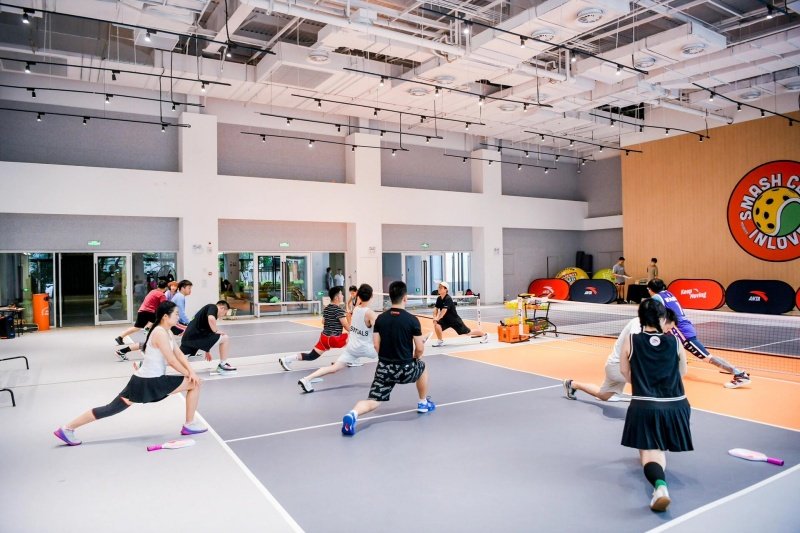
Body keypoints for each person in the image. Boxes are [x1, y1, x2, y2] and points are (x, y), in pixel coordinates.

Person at [53, 301, 207, 446]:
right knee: (194, 385)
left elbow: (179, 355)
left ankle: (67, 428)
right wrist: (190, 374)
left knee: (110, 408)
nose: (178, 317)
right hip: (151, 381)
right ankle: (189, 424)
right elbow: (172, 360)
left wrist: (191, 372)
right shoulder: (159, 332)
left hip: (141, 379)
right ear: (165, 316)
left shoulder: (166, 331)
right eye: (176, 314)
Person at [619, 298, 692, 512]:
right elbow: (682, 373)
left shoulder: (631, 341)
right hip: (677, 405)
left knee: (650, 451)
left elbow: (625, 373)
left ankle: (660, 487)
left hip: (645, 404)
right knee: (657, 449)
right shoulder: (675, 342)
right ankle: (658, 482)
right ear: (661, 318)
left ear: (641, 318)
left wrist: (643, 383)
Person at [341, 280, 435, 435]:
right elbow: (419, 349)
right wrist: (414, 358)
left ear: (390, 297)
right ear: (405, 298)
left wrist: (387, 358)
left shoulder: (381, 319)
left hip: (384, 368)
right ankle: (423, 403)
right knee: (422, 367)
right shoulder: (412, 320)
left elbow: (377, 345)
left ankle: (353, 414)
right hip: (406, 368)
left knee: (373, 401)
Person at [647, 279, 750, 388]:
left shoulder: (656, 297)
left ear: (650, 289)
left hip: (682, 333)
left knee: (707, 357)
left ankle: (740, 374)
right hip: (680, 329)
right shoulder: (668, 294)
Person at [563, 308, 680, 402]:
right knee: (648, 383)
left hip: (618, 365)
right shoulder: (638, 324)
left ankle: (572, 384)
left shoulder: (651, 328)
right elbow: (637, 350)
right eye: (668, 328)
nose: (667, 331)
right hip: (618, 366)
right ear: (663, 320)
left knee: (603, 395)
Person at [298, 284, 379, 393]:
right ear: (371, 296)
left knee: (334, 368)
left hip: (352, 348)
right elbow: (378, 330)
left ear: (358, 295)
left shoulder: (355, 310)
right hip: (366, 348)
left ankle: (306, 379)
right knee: (387, 356)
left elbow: (351, 322)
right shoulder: (370, 313)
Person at [279, 286, 349, 370]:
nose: (343, 296)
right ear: (337, 297)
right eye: (341, 294)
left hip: (324, 338)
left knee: (311, 356)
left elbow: (323, 321)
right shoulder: (339, 310)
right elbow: (346, 326)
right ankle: (348, 361)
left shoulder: (326, 308)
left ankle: (286, 359)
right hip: (334, 339)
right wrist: (352, 324)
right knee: (353, 338)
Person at [180, 300, 237, 374]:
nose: (223, 315)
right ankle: (223, 364)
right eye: (225, 313)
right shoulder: (213, 307)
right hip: (195, 338)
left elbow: (207, 331)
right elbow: (211, 319)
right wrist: (216, 331)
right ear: (222, 308)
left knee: (177, 359)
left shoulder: (206, 312)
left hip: (188, 339)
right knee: (225, 338)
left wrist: (207, 350)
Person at [431, 281, 488, 347]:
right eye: (439, 287)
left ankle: (485, 335)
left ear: (446, 289)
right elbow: (436, 309)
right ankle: (440, 341)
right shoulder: (439, 298)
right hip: (445, 320)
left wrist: (437, 318)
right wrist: (434, 317)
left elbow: (443, 311)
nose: (439, 289)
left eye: (441, 287)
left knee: (468, 332)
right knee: (437, 325)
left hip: (454, 320)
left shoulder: (448, 298)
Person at [114, 280, 168, 349]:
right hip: (149, 312)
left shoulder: (152, 291)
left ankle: (120, 337)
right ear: (166, 288)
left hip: (142, 310)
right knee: (159, 324)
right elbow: (164, 306)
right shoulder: (162, 295)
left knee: (137, 327)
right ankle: (152, 337)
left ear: (157, 286)